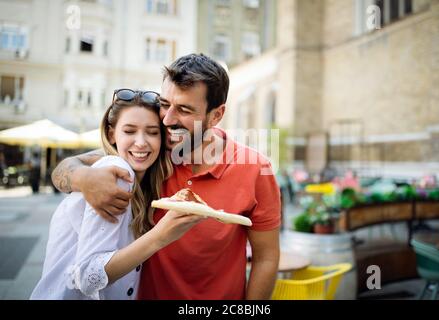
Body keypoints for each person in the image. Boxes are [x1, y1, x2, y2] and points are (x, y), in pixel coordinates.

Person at [51, 53, 281, 300]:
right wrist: (85, 179)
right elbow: (66, 167)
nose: (168, 119)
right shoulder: (153, 150)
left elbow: (266, 257)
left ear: (216, 115)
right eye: (164, 103)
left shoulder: (255, 168)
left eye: (183, 109)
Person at [31, 90, 204, 299]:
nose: (141, 142)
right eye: (130, 131)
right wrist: (160, 236)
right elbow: (87, 276)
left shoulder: (145, 176)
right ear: (112, 134)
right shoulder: (117, 170)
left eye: (152, 132)